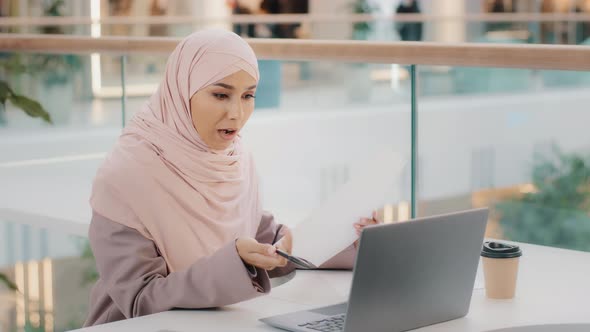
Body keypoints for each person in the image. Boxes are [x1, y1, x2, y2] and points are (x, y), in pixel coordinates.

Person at [83, 29, 378, 327]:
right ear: (182, 90)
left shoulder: (233, 159)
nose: (237, 113)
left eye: (248, 95)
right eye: (221, 94)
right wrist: (235, 263)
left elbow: (269, 242)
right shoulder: (126, 174)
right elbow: (140, 299)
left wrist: (347, 238)